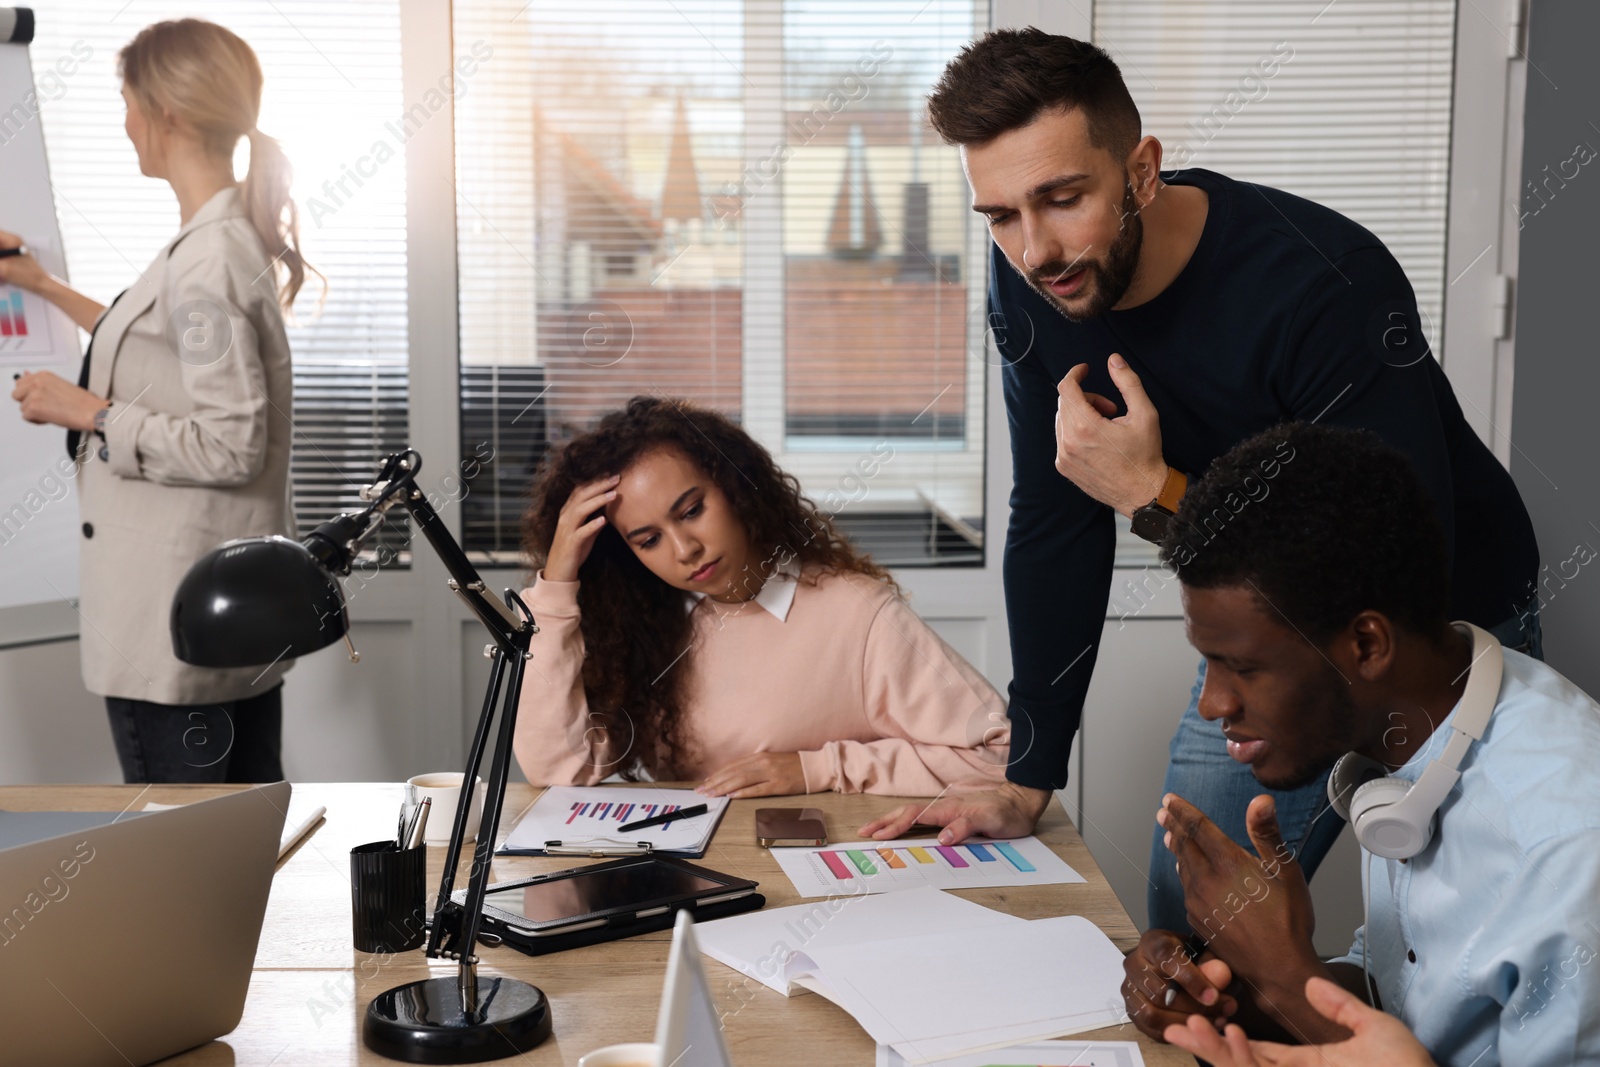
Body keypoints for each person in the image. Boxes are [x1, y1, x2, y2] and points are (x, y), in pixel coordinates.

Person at [860, 29, 1540, 937]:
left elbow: (1387, 566)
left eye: (1064, 198)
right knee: (1193, 924)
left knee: (1470, 933)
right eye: (1000, 214)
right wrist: (1028, 775)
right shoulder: (1035, 279)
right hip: (1265, 608)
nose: (1035, 249)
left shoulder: (1324, 284)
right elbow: (1056, 515)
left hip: (1441, 615)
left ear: (1142, 171)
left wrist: (1154, 494)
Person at [1120, 423, 1600, 1066]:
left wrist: (1288, 978)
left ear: (1367, 646)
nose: (1212, 704)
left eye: (1243, 667)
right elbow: (1394, 1003)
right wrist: (1227, 987)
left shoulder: (1566, 849)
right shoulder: (1410, 740)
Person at [3, 19, 315, 783]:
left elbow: (232, 442)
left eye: (129, 103)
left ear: (167, 114)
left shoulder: (207, 261)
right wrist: (41, 286)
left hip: (170, 637)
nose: (125, 123)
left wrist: (91, 414)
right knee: (233, 858)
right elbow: (158, 345)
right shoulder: (219, 242)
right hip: (211, 629)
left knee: (185, 864)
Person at [512, 396, 1010, 796]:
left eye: (690, 511)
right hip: (702, 884)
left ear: (735, 486)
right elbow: (558, 769)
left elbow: (1001, 754)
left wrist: (819, 769)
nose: (685, 549)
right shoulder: (649, 633)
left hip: (819, 884)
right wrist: (556, 588)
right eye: (648, 540)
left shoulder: (856, 614)